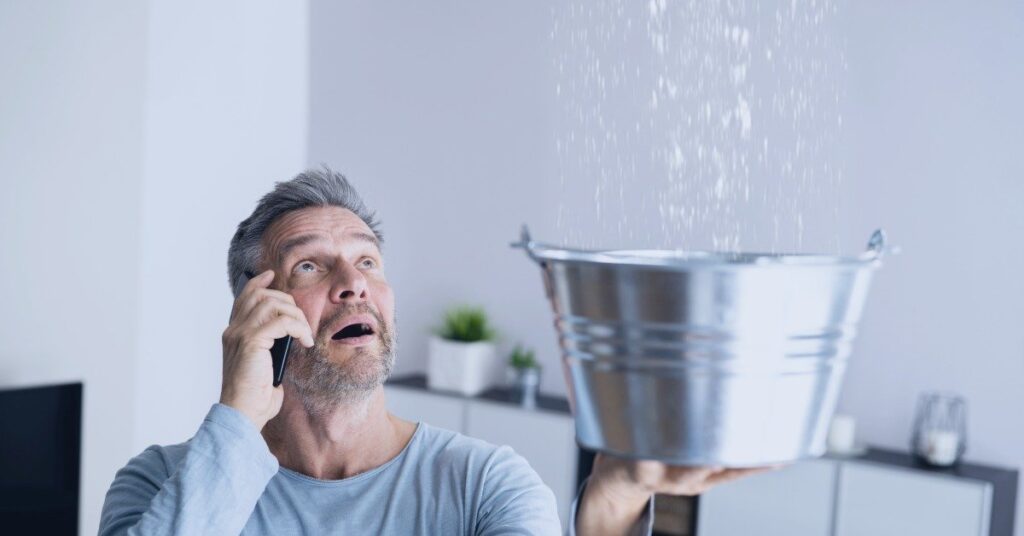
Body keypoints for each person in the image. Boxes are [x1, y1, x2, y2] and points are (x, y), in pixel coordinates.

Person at [100, 168, 764, 535]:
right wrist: (238, 418)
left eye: (367, 261)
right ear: (254, 311)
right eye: (310, 266)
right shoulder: (160, 485)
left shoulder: (485, 487)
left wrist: (610, 506)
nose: (354, 282)